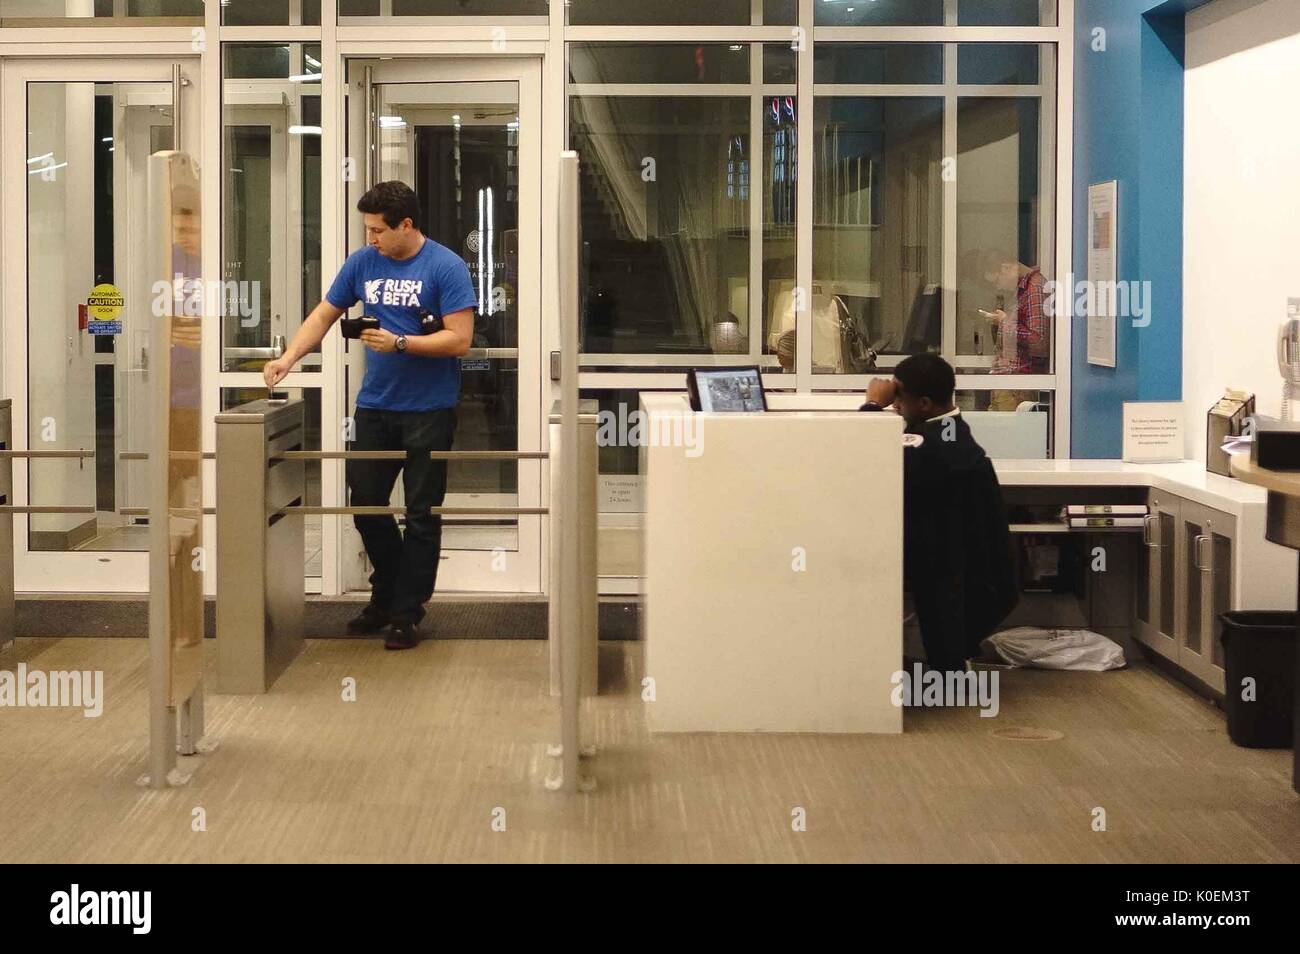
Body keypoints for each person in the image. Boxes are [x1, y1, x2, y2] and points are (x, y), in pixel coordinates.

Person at [264, 181, 476, 650]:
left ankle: (405, 613)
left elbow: (460, 340)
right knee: (365, 502)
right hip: (376, 406)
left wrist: (402, 343)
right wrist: (288, 359)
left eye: (379, 230)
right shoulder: (363, 263)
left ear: (407, 225)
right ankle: (390, 593)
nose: (371, 239)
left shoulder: (446, 266)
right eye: (367, 229)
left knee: (421, 515)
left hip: (430, 410)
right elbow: (324, 314)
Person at [860, 353, 1018, 673]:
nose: (895, 407)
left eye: (899, 399)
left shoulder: (929, 444)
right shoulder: (951, 433)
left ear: (925, 404)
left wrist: (872, 407)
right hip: (964, 572)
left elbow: (864, 455)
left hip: (947, 575)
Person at [966, 248, 1050, 411]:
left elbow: (1039, 342)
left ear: (1006, 268)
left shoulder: (1035, 288)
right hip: (1006, 381)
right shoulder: (1022, 290)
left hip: (1017, 385)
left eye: (997, 280)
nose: (999, 286)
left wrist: (1005, 322)